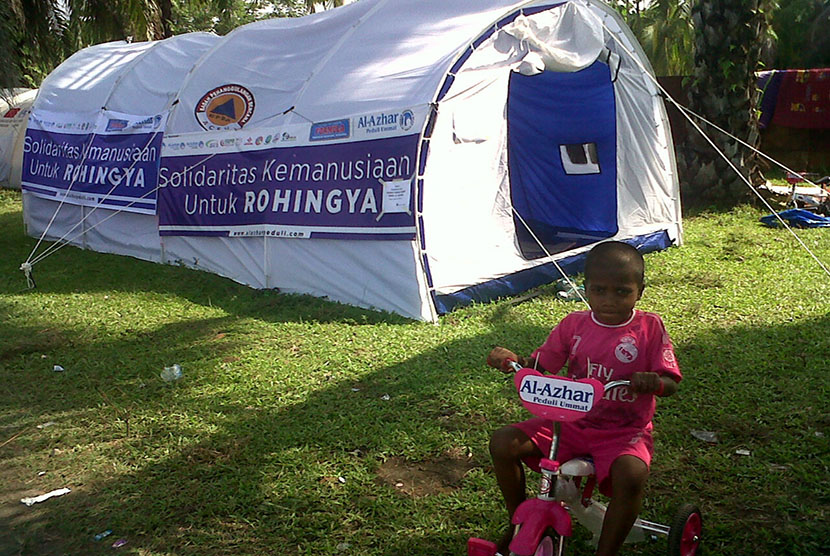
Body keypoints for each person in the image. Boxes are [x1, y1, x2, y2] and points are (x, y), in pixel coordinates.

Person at [486, 241, 681, 556]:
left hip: (624, 430)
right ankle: (516, 521)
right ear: (585, 288)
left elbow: (670, 382)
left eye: (622, 291)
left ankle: (606, 552)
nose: (608, 300)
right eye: (599, 290)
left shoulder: (649, 327)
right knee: (503, 442)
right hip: (570, 423)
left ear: (639, 291)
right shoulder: (573, 325)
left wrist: (654, 381)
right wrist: (512, 359)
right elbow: (540, 367)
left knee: (631, 475)